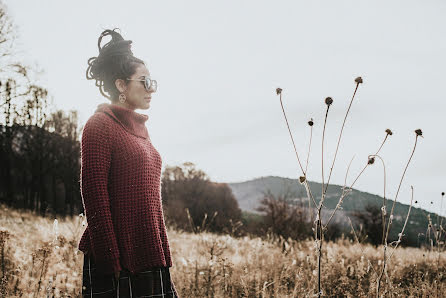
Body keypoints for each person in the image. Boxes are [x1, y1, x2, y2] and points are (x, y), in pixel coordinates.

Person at [78, 28, 178, 297]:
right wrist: (110, 260)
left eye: (153, 82)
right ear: (121, 85)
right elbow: (94, 194)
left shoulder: (139, 127)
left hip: (150, 254)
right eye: (144, 82)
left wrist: (162, 253)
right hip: (119, 262)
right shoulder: (100, 125)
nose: (151, 89)